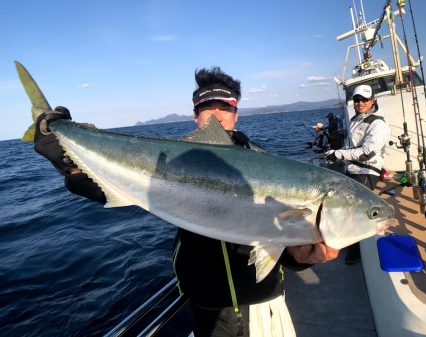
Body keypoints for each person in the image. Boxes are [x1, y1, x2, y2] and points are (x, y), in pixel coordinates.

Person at [33, 66, 340, 337]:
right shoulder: (172, 160)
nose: (217, 114)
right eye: (208, 106)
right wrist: (68, 164)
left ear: (237, 112)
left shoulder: (268, 165)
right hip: (206, 307)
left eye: (225, 106)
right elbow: (110, 185)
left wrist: (301, 257)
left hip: (264, 304)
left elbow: (282, 245)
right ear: (196, 116)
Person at [324, 84, 390, 265]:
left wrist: (339, 154)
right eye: (357, 99)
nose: (360, 103)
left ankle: (355, 252)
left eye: (364, 99)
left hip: (366, 172)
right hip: (351, 170)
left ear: (372, 101)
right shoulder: (355, 119)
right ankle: (346, 241)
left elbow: (367, 152)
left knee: (355, 212)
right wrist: (335, 154)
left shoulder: (378, 123)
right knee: (343, 207)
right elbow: (349, 147)